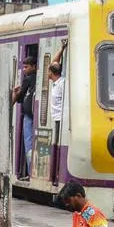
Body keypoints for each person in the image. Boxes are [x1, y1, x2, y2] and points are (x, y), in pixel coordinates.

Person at [12, 56, 36, 179]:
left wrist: (15, 94)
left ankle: (30, 171)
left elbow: (20, 97)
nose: (24, 70)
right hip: (33, 114)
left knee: (28, 144)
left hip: (28, 116)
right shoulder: (37, 78)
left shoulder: (27, 79)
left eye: (26, 67)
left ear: (34, 66)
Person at [48, 41, 66, 182]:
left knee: (58, 145)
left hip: (61, 118)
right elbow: (54, 62)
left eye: (48, 71)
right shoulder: (56, 82)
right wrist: (61, 49)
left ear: (52, 73)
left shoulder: (62, 84)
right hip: (56, 117)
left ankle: (58, 174)